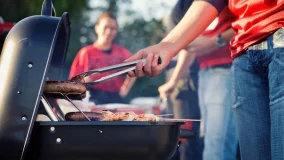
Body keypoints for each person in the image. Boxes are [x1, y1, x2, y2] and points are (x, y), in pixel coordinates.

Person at [126, 0, 284, 159]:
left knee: (218, 145)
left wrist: (215, 41)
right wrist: (165, 46)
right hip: (243, 51)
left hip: (279, 39)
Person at [158, 0, 203, 160]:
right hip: (177, 81)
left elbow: (190, 44)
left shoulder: (192, 4)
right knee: (174, 138)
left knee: (187, 137)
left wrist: (173, 81)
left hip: (185, 81)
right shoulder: (182, 4)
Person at [70, 12, 136, 105]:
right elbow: (73, 81)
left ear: (116, 31)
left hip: (115, 97)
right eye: (105, 27)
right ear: (97, 28)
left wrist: (125, 89)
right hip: (92, 97)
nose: (109, 31)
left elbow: (134, 68)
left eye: (113, 28)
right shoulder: (86, 52)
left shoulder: (122, 52)